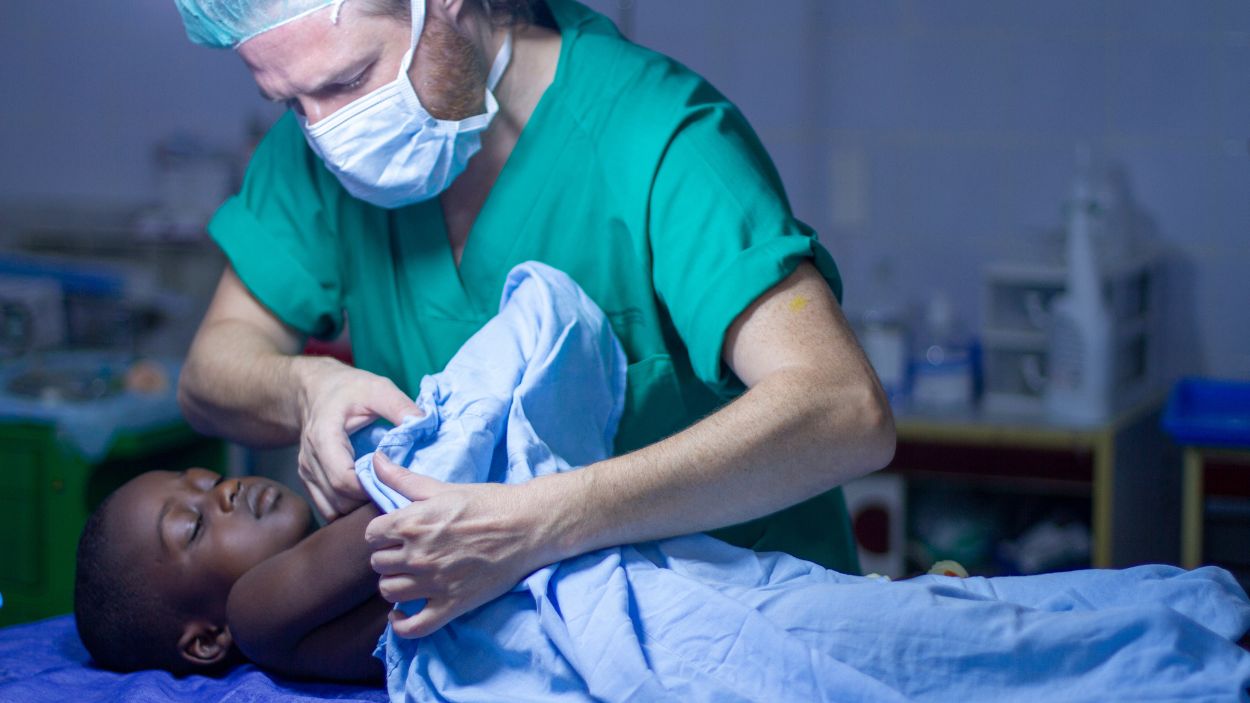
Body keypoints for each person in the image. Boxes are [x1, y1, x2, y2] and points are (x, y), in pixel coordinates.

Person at [75, 263, 1250, 701]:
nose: (216, 491)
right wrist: (402, 451)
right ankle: (1171, 645)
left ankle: (1164, 631)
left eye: (198, 478)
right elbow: (405, 529)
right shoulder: (262, 621)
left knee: (922, 626)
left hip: (638, 575)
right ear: (198, 646)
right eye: (188, 521)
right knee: (900, 647)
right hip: (606, 636)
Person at [174, 0, 896, 639]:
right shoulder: (310, 161)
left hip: (738, 631)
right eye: (290, 102)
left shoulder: (657, 137)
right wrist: (308, 387)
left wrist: (539, 521)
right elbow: (210, 372)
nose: (326, 133)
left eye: (350, 82)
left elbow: (841, 410)